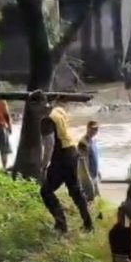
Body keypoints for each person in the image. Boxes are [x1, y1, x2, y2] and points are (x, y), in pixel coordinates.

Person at [40, 96, 94, 233]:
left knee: (46, 191)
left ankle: (61, 225)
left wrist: (44, 165)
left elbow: (49, 145)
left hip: (61, 156)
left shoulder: (46, 119)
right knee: (75, 190)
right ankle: (88, 224)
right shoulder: (58, 112)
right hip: (72, 151)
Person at [77, 121, 101, 203]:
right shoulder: (83, 143)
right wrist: (87, 178)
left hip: (94, 174)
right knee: (90, 197)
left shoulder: (93, 141)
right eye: (92, 128)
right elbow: (82, 163)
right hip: (87, 175)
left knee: (97, 197)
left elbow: (94, 158)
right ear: (87, 128)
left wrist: (98, 171)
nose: (94, 131)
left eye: (96, 129)